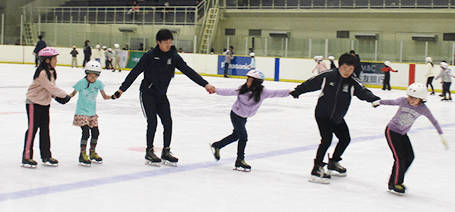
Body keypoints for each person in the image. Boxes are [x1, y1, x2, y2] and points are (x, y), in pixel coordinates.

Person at [111, 29, 216, 167]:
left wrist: (205, 84)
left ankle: (166, 151)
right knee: (152, 121)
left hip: (161, 95)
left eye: (170, 42)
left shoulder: (173, 56)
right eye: (165, 42)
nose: (168, 45)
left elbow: (188, 70)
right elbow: (135, 72)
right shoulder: (150, 56)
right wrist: (121, 89)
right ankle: (149, 151)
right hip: (147, 93)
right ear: (158, 42)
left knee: (168, 122)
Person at [290, 53, 380, 184]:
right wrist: (297, 91)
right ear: (339, 66)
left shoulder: (352, 81)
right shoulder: (328, 75)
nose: (347, 72)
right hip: (322, 114)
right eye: (345, 68)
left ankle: (333, 162)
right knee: (326, 139)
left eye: (350, 69)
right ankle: (317, 167)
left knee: (345, 139)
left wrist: (374, 99)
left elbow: (363, 92)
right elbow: (311, 83)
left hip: (337, 117)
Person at [372, 83, 448, 195]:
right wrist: (378, 102)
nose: (411, 100)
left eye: (414, 98)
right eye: (410, 96)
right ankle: (396, 183)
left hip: (402, 134)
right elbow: (391, 102)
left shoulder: (423, 109)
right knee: (400, 158)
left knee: (410, 157)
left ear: (421, 99)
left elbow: (434, 121)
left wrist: (441, 135)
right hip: (392, 131)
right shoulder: (403, 101)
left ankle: (394, 180)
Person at [210, 70, 290, 171]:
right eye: (247, 80)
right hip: (236, 115)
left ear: (256, 83)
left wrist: (289, 92)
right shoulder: (242, 89)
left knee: (236, 136)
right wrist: (216, 90)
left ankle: (217, 145)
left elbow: (275, 93)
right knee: (243, 137)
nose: (247, 82)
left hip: (244, 117)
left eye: (250, 80)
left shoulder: (263, 92)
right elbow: (229, 91)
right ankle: (240, 160)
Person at [22, 47, 71, 168]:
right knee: (32, 129)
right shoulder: (42, 73)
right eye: (55, 58)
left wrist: (56, 97)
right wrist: (64, 95)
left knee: (45, 129)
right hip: (33, 103)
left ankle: (46, 156)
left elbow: (49, 89)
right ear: (47, 60)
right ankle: (27, 157)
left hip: (44, 104)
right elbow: (49, 86)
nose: (56, 61)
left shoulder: (51, 72)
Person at [68, 61, 112, 166]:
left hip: (92, 113)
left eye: (95, 76)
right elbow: (72, 94)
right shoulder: (81, 83)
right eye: (90, 75)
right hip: (81, 112)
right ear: (86, 73)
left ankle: (92, 152)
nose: (93, 78)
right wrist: (64, 97)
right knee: (86, 132)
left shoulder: (99, 84)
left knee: (96, 132)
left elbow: (105, 96)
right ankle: (82, 154)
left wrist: (114, 96)